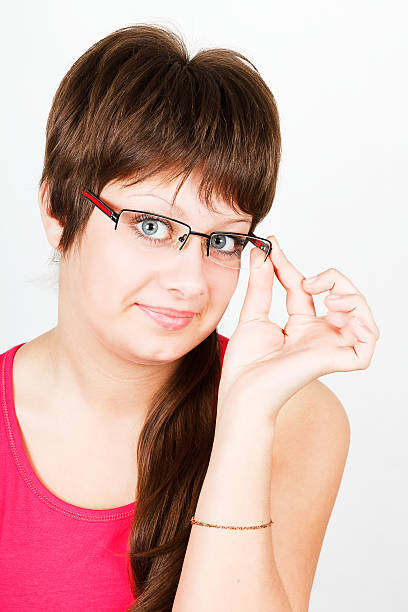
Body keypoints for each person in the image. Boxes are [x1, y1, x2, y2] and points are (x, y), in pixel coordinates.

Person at [0, 23, 379, 612]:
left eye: (224, 241)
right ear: (57, 210)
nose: (191, 281)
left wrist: (247, 417)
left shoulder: (297, 417)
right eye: (152, 226)